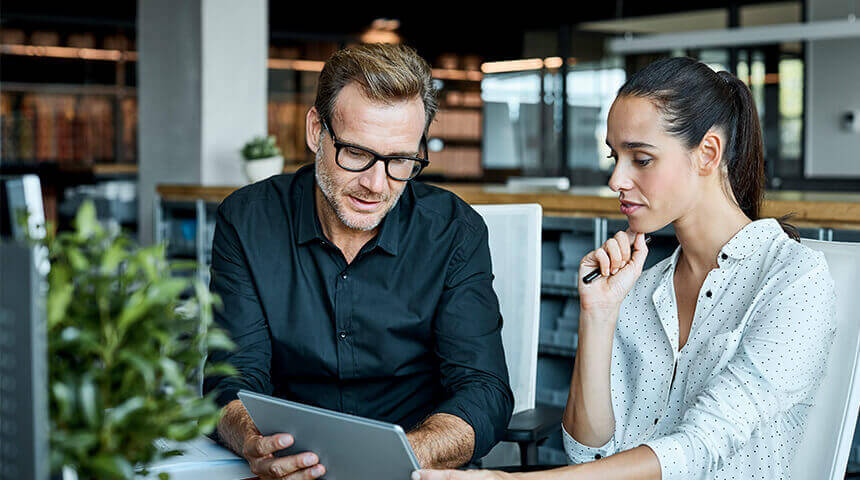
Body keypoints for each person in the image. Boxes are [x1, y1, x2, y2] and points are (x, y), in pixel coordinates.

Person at [416, 57, 837, 480]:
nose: (616, 178)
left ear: (707, 153)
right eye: (614, 156)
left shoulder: (795, 281)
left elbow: (700, 448)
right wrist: (598, 315)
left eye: (641, 159)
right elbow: (587, 453)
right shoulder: (641, 286)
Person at [203, 43, 513, 480]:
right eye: (356, 153)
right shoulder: (248, 220)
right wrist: (256, 443)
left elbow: (484, 392)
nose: (375, 184)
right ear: (316, 130)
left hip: (414, 470)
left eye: (400, 160)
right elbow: (230, 381)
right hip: (291, 470)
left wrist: (402, 456)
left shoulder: (454, 232)